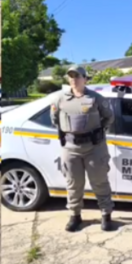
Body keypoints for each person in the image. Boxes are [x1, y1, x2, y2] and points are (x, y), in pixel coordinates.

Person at [50, 65, 117, 233]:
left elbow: (109, 117)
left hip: (94, 147)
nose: (73, 79)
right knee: (73, 183)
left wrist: (96, 132)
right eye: (71, 76)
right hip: (71, 148)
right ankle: (75, 215)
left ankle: (106, 214)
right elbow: (55, 120)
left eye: (77, 76)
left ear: (85, 79)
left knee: (100, 182)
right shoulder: (59, 99)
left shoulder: (96, 98)